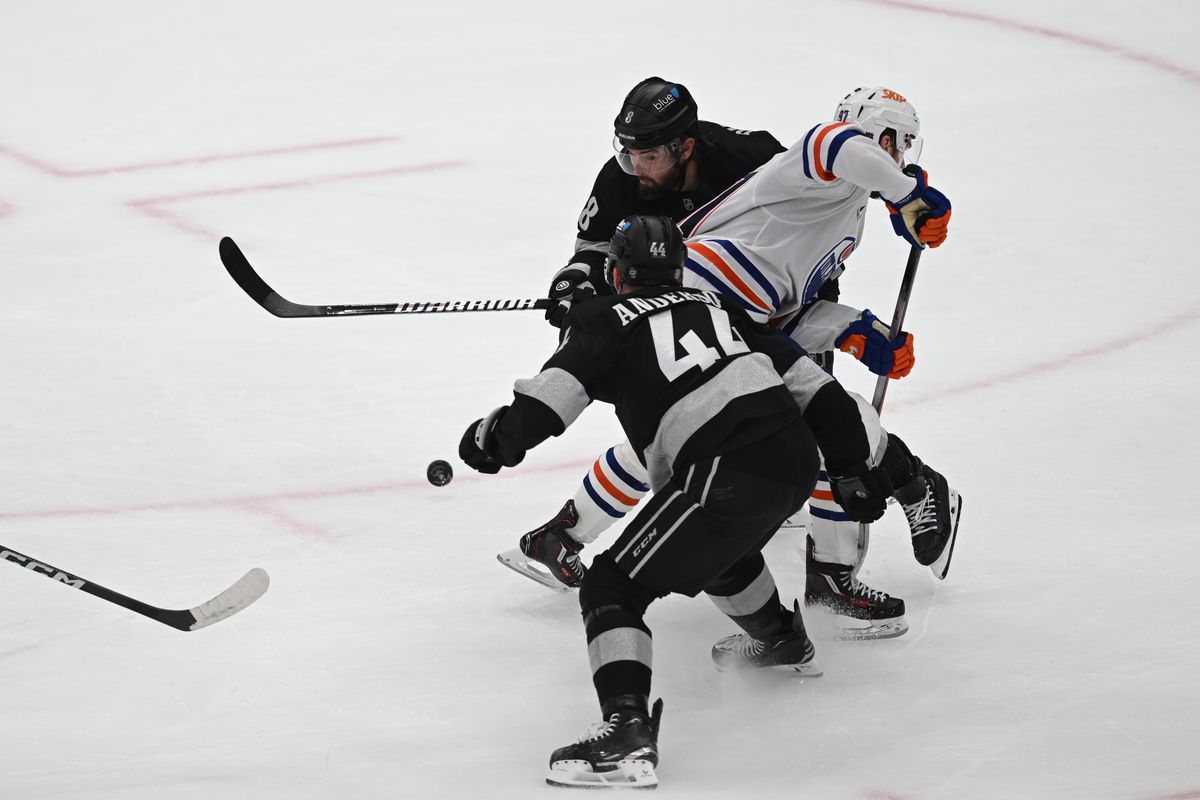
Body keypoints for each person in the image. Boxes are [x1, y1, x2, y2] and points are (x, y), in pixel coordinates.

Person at [461, 216, 900, 788]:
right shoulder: (720, 307)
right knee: (716, 550)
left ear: (617, 273)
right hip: (792, 459)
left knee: (611, 587)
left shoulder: (603, 319)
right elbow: (815, 386)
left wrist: (489, 441)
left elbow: (548, 406)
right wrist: (847, 468)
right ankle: (781, 640)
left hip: (724, 469)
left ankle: (626, 733)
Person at [511, 86, 963, 640]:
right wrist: (906, 191)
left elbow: (782, 313)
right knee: (770, 426)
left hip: (734, 318)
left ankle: (568, 533)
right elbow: (837, 144)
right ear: (887, 138)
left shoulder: (843, 215)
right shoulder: (817, 159)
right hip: (697, 298)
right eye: (901, 148)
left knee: (689, 433)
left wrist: (852, 328)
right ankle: (907, 495)